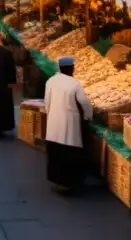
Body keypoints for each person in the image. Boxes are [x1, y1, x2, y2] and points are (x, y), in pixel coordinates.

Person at [42, 56, 94, 192]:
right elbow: (84, 102)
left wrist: (50, 113)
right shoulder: (74, 83)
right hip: (70, 123)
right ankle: (69, 182)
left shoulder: (51, 81)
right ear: (71, 68)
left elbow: (47, 102)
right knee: (70, 153)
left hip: (54, 122)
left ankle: (57, 180)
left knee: (55, 153)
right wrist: (89, 116)